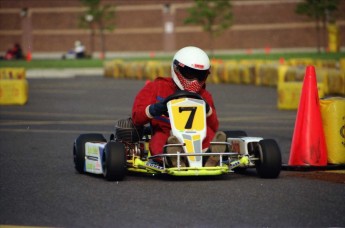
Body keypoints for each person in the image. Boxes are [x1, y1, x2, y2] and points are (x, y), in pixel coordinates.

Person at [132, 46, 226, 167]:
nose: (195, 80)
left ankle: (210, 156)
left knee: (210, 135)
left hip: (197, 134)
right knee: (159, 140)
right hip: (167, 133)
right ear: (176, 68)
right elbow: (137, 117)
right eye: (190, 73)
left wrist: (208, 111)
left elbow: (214, 126)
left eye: (200, 75)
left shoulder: (204, 95)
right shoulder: (157, 87)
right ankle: (174, 157)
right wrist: (156, 108)